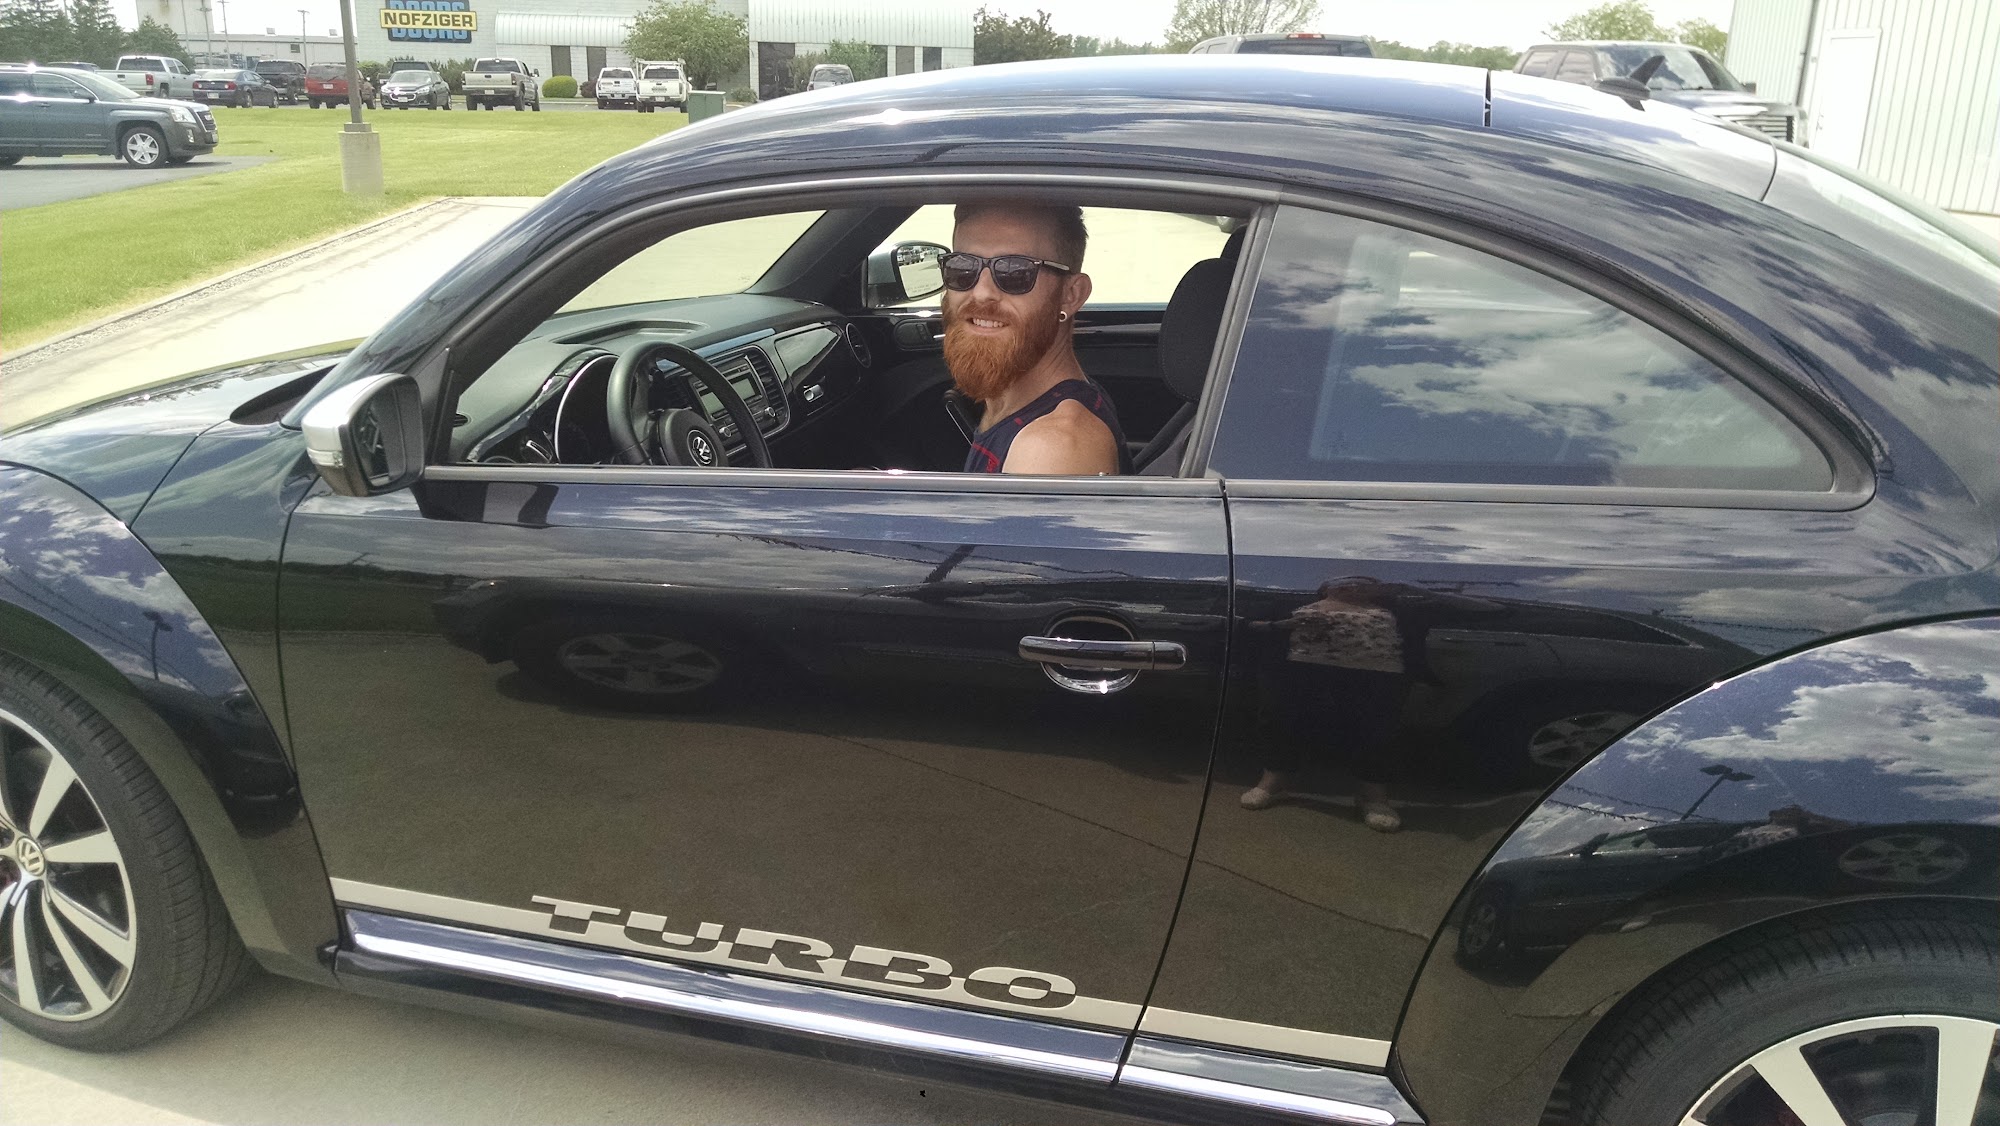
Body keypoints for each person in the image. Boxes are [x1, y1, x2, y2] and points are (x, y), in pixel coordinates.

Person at [941, 202, 1130, 475]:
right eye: (962, 267)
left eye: (1014, 272)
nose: (981, 293)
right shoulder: (1017, 396)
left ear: (1071, 295)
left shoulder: (1051, 448)